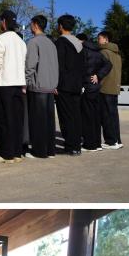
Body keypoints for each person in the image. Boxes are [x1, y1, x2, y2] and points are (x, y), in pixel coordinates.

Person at [0, 9, 28, 163]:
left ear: (4, 22)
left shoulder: (0, 39)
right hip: (19, 84)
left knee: (3, 120)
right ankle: (17, 152)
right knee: (17, 119)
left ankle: (6, 153)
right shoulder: (21, 41)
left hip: (4, 84)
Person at [24, 14, 59, 159]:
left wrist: (26, 81)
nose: (30, 26)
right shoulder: (51, 43)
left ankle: (39, 151)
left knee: (38, 121)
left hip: (38, 87)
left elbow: (30, 65)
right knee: (49, 121)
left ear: (36, 25)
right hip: (50, 87)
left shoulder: (33, 42)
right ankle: (50, 150)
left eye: (31, 24)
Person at [54, 14, 87, 155]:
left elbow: (58, 66)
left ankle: (70, 146)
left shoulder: (60, 42)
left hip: (64, 85)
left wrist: (55, 84)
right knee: (76, 116)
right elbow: (83, 66)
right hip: (77, 85)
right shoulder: (79, 44)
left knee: (65, 116)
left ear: (61, 26)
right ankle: (76, 146)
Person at [78, 33, 112, 152]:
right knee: (96, 116)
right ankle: (97, 144)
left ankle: (89, 144)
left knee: (87, 117)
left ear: (81, 41)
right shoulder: (97, 51)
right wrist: (99, 75)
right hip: (96, 88)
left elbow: (81, 69)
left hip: (86, 87)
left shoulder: (83, 51)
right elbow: (109, 64)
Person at [97, 31, 124, 148]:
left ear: (106, 39)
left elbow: (100, 70)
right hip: (114, 87)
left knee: (106, 115)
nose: (98, 41)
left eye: (99, 38)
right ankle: (117, 140)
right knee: (113, 115)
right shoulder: (117, 54)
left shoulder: (103, 52)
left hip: (105, 87)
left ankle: (111, 141)